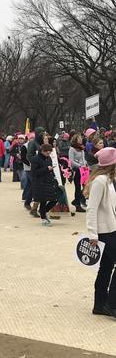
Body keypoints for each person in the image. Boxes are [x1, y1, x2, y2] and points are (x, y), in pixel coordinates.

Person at [84, 147, 116, 318]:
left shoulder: (109, 180)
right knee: (106, 268)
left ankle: (100, 304)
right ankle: (111, 303)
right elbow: (92, 208)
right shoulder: (100, 181)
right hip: (104, 232)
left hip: (111, 228)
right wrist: (92, 234)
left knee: (106, 267)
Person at [30, 144, 59, 226]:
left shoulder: (49, 158)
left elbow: (51, 169)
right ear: (42, 151)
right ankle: (43, 218)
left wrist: (54, 177)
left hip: (49, 181)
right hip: (40, 182)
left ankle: (43, 211)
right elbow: (34, 172)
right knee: (43, 200)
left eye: (49, 152)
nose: (48, 153)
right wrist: (46, 169)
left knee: (55, 198)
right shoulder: (36, 159)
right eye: (46, 152)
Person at [69, 133, 88, 213]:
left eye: (81, 138)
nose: (81, 139)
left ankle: (76, 200)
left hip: (83, 170)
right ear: (75, 139)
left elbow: (83, 158)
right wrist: (80, 166)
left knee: (86, 186)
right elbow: (71, 161)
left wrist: (85, 164)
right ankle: (77, 205)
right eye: (79, 138)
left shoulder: (81, 148)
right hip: (77, 170)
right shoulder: (72, 149)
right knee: (77, 187)